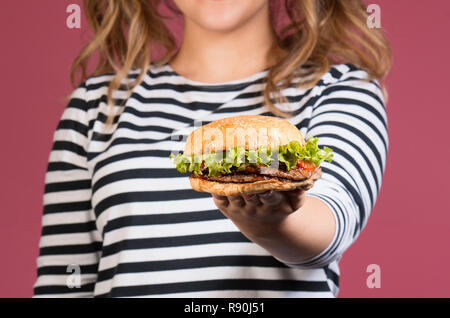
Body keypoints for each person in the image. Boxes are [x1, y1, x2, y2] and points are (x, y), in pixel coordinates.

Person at [33, 0, 391, 297]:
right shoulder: (97, 105)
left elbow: (331, 227)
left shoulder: (340, 90)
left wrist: (270, 224)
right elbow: (63, 282)